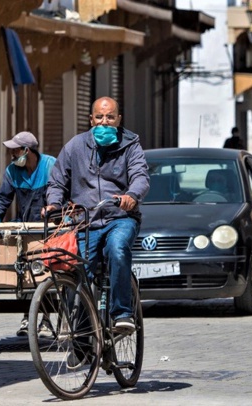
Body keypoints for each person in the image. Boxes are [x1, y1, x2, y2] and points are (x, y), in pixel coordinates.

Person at [44, 96, 150, 333]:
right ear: (91, 119)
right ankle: (81, 338)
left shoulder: (130, 145)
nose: (104, 122)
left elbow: (141, 176)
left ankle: (122, 313)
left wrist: (132, 195)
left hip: (119, 218)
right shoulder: (75, 146)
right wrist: (53, 203)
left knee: (118, 248)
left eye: (110, 117)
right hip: (85, 222)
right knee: (78, 272)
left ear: (118, 119)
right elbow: (57, 180)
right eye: (100, 117)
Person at [0, 131, 56, 336]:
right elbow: (3, 198)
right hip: (26, 228)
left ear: (27, 150)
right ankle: (27, 318)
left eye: (14, 151)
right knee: (24, 272)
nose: (11, 155)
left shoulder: (51, 166)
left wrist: (54, 208)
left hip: (50, 228)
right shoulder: (12, 171)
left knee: (46, 272)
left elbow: (61, 190)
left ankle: (45, 319)